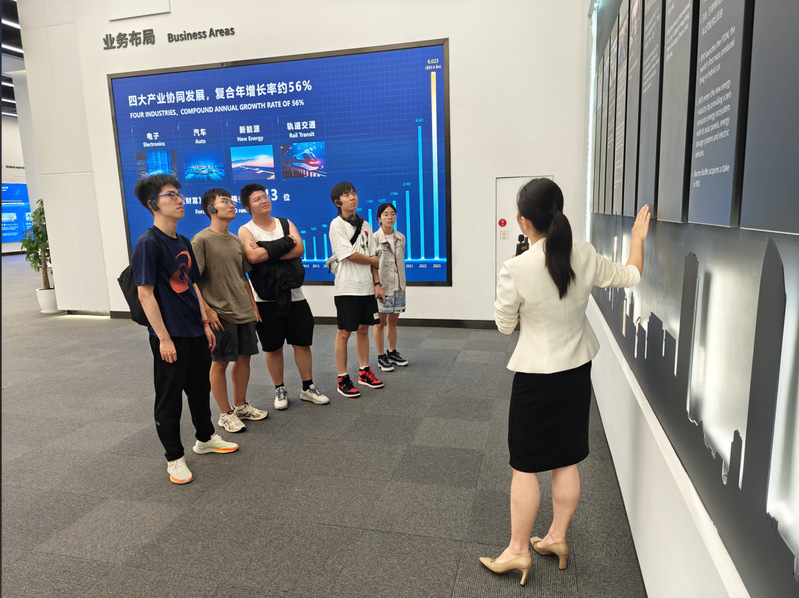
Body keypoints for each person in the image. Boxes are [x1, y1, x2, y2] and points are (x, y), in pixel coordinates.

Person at [480, 178, 650, 585]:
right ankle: (556, 537)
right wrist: (638, 239)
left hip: (536, 377)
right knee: (565, 458)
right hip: (576, 371)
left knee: (524, 466)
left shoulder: (517, 268)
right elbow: (631, 275)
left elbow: (504, 326)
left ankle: (517, 551)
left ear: (524, 222)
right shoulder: (585, 254)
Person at [131, 174, 239, 485]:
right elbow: (145, 294)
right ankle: (174, 458)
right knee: (169, 399)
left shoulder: (182, 241)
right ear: (153, 204)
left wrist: (205, 323)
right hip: (171, 335)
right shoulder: (148, 243)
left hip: (194, 331)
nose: (180, 200)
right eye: (171, 195)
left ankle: (205, 438)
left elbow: (191, 285)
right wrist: (163, 338)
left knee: (199, 390)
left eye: (179, 194)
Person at [238, 183, 330, 410]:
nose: (264, 200)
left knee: (302, 343)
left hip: (295, 295)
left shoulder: (286, 223)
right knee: (273, 347)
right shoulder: (246, 230)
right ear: (248, 207)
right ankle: (279, 388)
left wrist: (266, 249)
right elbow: (253, 257)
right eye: (257, 199)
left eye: (265, 196)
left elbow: (299, 250)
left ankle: (308, 387)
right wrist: (286, 244)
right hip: (266, 300)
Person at [192, 188, 269, 434]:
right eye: (224, 201)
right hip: (220, 313)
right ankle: (225, 414)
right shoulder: (201, 240)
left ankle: (240, 406)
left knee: (244, 358)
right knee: (220, 362)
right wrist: (207, 311)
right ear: (211, 209)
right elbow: (193, 281)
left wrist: (253, 306)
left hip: (243, 310)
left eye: (231, 200)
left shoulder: (236, 240)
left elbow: (243, 277)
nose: (231, 204)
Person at [328, 181, 384, 397]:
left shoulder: (366, 225)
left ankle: (364, 371)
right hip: (347, 288)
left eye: (354, 193)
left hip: (367, 288)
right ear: (337, 202)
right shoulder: (336, 225)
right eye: (346, 195)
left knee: (363, 330)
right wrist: (372, 260)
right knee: (344, 333)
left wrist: (377, 284)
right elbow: (350, 255)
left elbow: (373, 258)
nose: (352, 197)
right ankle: (342, 378)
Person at [372, 202, 409, 372]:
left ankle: (392, 352)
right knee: (380, 323)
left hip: (398, 285)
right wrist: (376, 285)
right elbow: (372, 264)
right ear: (379, 218)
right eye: (386, 214)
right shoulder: (374, 239)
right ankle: (381, 356)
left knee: (393, 321)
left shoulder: (400, 237)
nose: (390, 217)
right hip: (383, 287)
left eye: (393, 213)